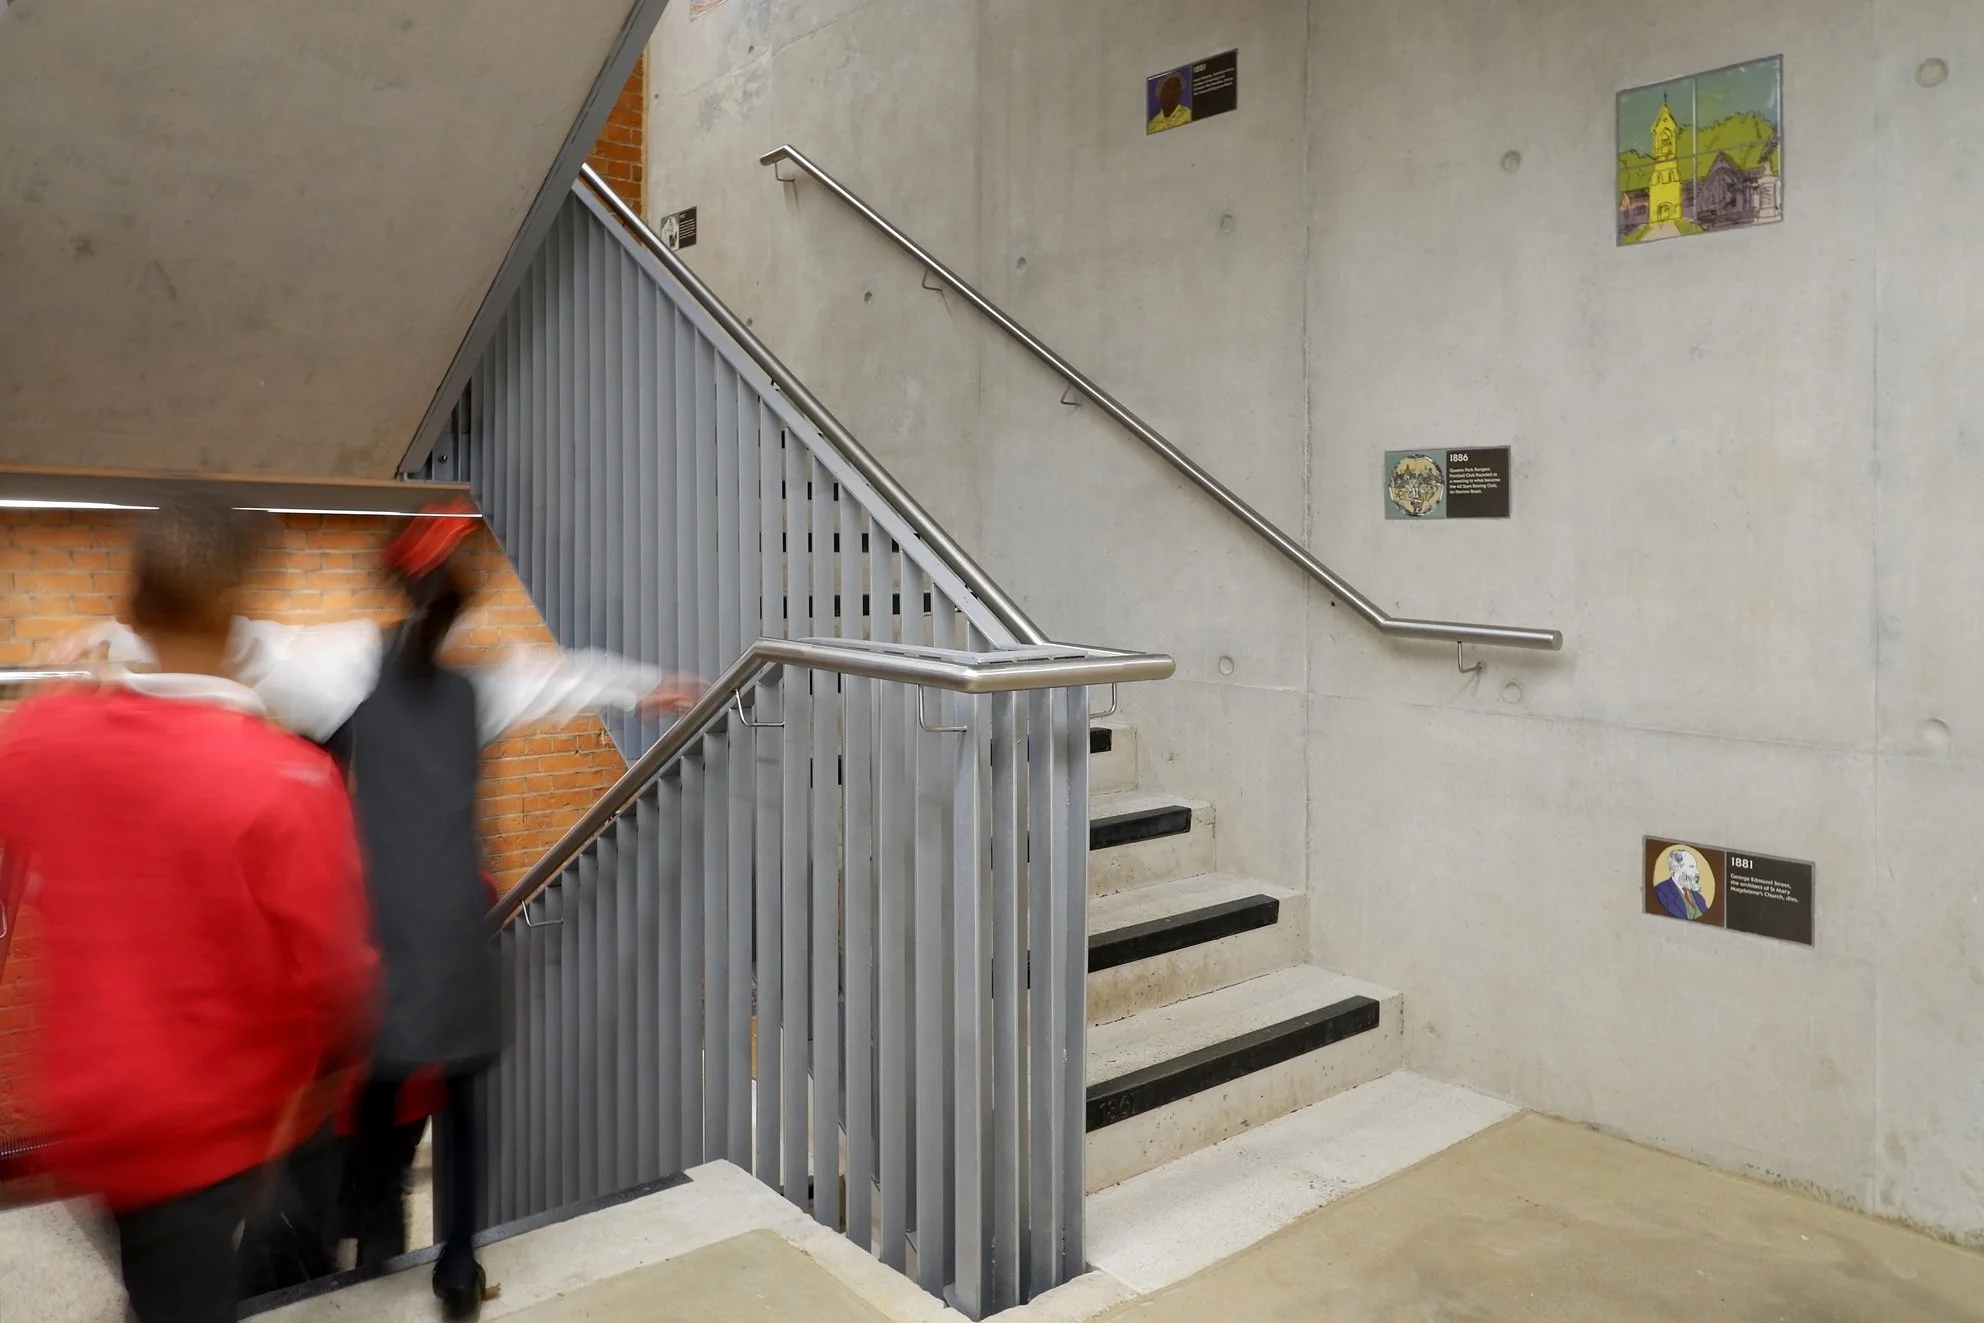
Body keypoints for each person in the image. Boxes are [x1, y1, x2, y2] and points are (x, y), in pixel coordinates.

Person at [57, 501, 702, 1317]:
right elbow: (562, 675)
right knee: (452, 1113)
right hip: (454, 934)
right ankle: (451, 1266)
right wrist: (649, 687)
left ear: (394, 588)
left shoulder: (339, 665)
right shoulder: (479, 687)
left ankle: (347, 1257)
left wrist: (106, 640)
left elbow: (228, 636)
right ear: (460, 606)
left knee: (355, 1111)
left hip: (369, 940)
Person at [0, 495, 378, 1323]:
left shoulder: (42, 737)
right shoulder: (287, 780)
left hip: (96, 1113)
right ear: (240, 623)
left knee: (161, 1280)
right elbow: (341, 982)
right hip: (216, 1126)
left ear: (133, 610)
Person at [1654, 847, 1712, 921]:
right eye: (1691, 867)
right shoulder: (1661, 893)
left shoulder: (1698, 897)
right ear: (1676, 868)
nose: (1697, 872)